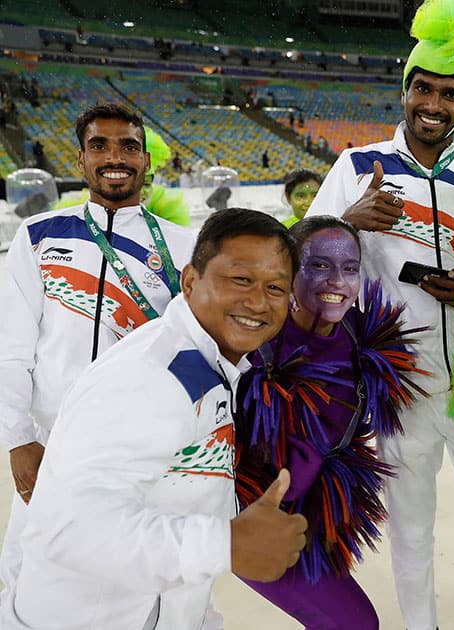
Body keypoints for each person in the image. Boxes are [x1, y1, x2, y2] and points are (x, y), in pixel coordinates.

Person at [1, 208, 309, 629]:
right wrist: (224, 545)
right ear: (188, 281)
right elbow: (66, 527)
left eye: (275, 287)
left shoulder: (206, 363)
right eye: (240, 279)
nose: (257, 301)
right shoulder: (152, 375)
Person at [302, 1, 454, 628]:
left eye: (450, 93)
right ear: (405, 89)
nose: (434, 104)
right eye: (423, 87)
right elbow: (297, 258)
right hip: (398, 390)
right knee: (412, 533)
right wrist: (346, 222)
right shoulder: (358, 167)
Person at [0, 103, 194, 601]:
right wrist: (20, 439)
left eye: (130, 146)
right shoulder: (38, 237)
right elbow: (12, 346)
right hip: (54, 444)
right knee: (26, 578)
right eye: (99, 146)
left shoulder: (184, 246)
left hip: (146, 449)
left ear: (147, 161)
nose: (116, 157)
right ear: (81, 159)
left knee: (138, 584)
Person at [236, 216, 425, 629]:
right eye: (318, 265)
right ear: (288, 270)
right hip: (250, 522)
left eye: (350, 267)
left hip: (317, 521)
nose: (336, 280)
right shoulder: (253, 339)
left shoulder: (365, 336)